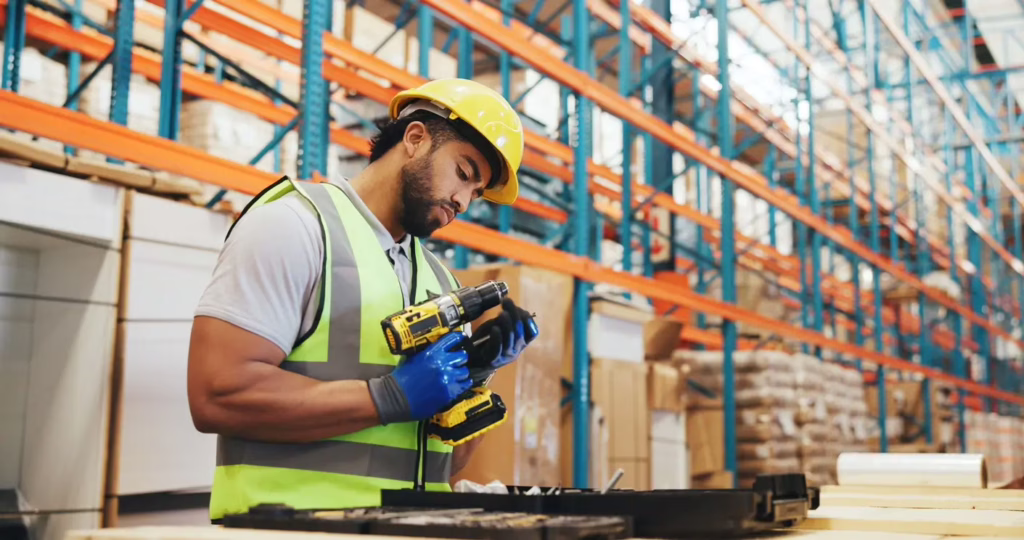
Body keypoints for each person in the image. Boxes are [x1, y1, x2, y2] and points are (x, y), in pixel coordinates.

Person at [186, 78, 540, 522]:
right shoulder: (295, 227)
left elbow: (442, 463)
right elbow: (217, 394)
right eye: (464, 174)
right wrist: (388, 397)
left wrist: (477, 374)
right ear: (415, 139)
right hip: (287, 530)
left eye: (476, 192)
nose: (463, 200)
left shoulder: (441, 282)